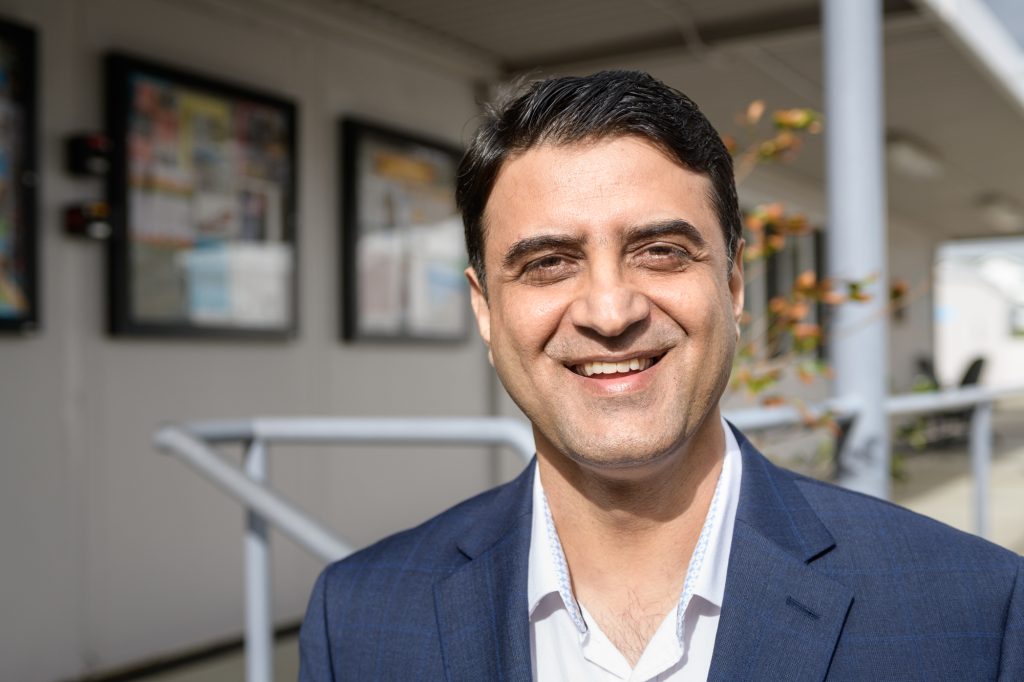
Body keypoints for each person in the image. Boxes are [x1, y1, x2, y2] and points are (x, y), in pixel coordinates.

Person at [300, 70, 1023, 681]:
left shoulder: (970, 614)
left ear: (735, 285)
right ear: (486, 309)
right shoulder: (359, 621)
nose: (610, 311)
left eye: (661, 251)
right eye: (548, 263)